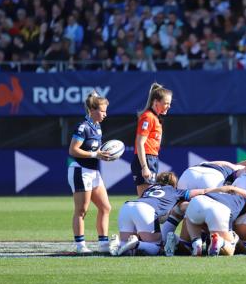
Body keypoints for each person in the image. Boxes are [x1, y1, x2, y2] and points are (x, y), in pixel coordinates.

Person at [111, 172, 232, 256]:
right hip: (146, 209)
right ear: (174, 184)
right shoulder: (175, 191)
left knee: (124, 250)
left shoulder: (149, 188)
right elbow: (204, 191)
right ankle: (137, 244)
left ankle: (116, 243)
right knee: (157, 248)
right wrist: (223, 189)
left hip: (127, 206)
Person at [67, 91, 113, 254]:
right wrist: (96, 154)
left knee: (105, 207)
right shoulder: (83, 127)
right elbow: (73, 150)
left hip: (93, 171)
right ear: (92, 110)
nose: (105, 114)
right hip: (80, 170)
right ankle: (80, 246)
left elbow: (95, 150)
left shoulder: (97, 127)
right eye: (102, 111)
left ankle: (103, 244)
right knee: (81, 210)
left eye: (106, 111)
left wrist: (105, 155)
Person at [131, 82, 173, 197]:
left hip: (152, 159)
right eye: (166, 103)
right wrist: (144, 167)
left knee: (149, 200)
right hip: (145, 160)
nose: (169, 106)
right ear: (155, 102)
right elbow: (140, 143)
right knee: (146, 201)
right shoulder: (148, 117)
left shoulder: (155, 118)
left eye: (169, 103)